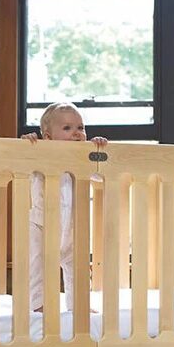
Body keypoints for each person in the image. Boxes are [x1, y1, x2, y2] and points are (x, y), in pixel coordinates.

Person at [21, 102, 107, 312]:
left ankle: (79, 306)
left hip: (73, 229)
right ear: (48, 137)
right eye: (67, 128)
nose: (77, 133)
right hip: (41, 227)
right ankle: (38, 306)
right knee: (37, 268)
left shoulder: (85, 159)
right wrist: (26, 146)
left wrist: (99, 152)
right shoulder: (39, 154)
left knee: (77, 270)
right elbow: (23, 165)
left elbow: (103, 176)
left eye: (81, 128)